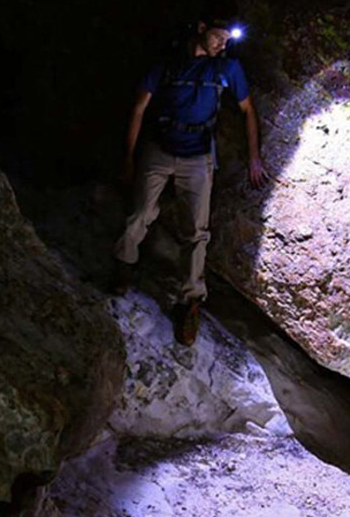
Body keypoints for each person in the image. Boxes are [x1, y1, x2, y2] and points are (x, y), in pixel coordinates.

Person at [112, 19, 266, 345]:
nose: (221, 45)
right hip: (160, 148)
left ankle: (191, 302)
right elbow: (139, 108)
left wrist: (255, 156)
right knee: (140, 213)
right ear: (200, 27)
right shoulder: (168, 63)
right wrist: (129, 157)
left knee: (197, 232)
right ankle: (123, 267)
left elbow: (247, 110)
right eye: (217, 37)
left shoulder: (226, 68)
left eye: (227, 40)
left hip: (198, 156)